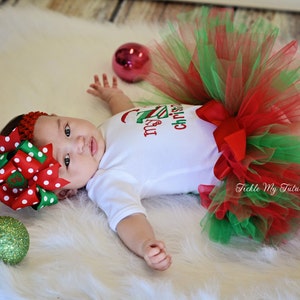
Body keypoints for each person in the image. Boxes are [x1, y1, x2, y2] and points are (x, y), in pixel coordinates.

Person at [1, 6, 300, 271]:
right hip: (233, 157)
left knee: (278, 103)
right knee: (288, 156)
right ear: (65, 191)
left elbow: (126, 116)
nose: (78, 142)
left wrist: (113, 96)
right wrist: (145, 244)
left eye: (66, 129)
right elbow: (127, 219)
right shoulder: (107, 181)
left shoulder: (103, 129)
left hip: (227, 113)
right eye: (67, 160)